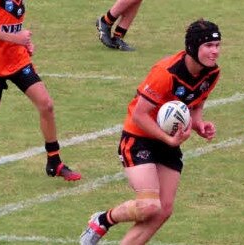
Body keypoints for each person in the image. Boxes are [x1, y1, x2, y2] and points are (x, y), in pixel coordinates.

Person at [80, 19, 222, 245]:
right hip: (139, 138)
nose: (215, 52)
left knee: (163, 210)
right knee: (149, 206)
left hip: (167, 142)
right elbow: (139, 114)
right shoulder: (165, 72)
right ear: (193, 48)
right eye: (208, 46)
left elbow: (195, 104)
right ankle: (103, 220)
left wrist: (199, 125)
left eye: (217, 46)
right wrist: (168, 138)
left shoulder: (212, 73)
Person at [0, 0, 81, 181]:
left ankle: (54, 162)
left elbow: (10, 25)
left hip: (19, 62)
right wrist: (17, 39)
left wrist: (24, 44)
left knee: (46, 105)